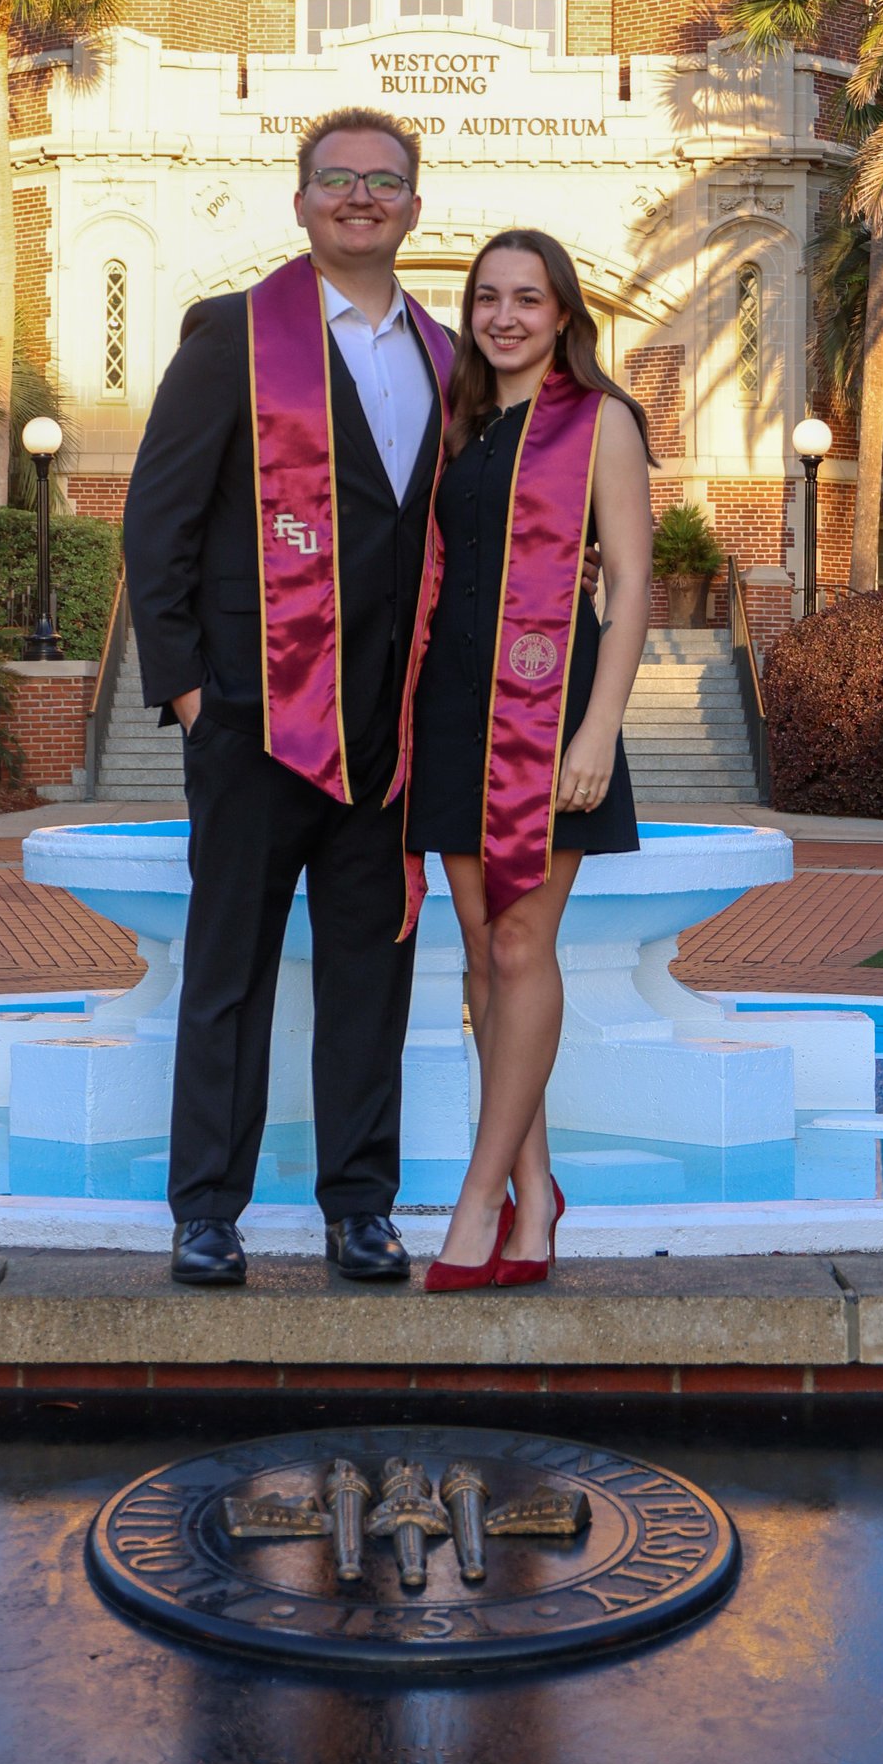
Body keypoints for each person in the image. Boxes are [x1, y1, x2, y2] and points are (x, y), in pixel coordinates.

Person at [120, 110, 454, 1288]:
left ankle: (360, 1207)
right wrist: (192, 694)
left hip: (389, 735)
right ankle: (206, 1210)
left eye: (384, 180)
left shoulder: (448, 358)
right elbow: (155, 521)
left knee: (374, 982)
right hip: (257, 723)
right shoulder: (233, 339)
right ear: (301, 200)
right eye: (336, 179)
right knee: (230, 976)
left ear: (416, 206)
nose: (360, 196)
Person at [405, 230, 652, 1290]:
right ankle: (535, 1193)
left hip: (551, 714)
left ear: (564, 315)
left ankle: (478, 1197)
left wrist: (598, 728)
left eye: (529, 298)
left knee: (518, 948)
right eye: (488, 298)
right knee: (478, 955)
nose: (505, 316)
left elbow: (632, 588)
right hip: (451, 705)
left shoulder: (599, 422)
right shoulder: (457, 425)